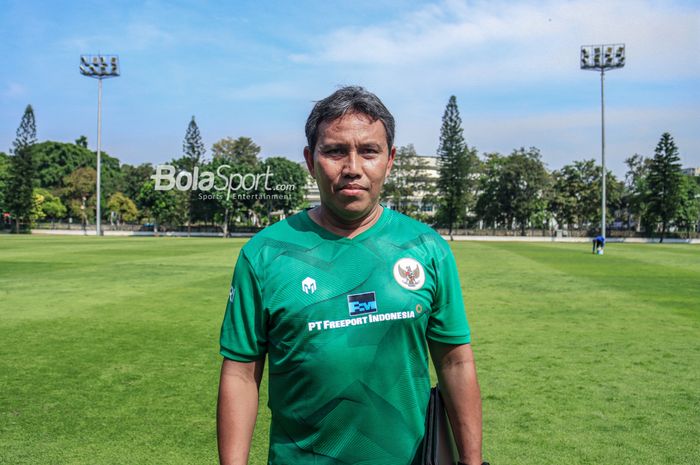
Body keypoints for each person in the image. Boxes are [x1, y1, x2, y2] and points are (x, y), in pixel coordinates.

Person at [217, 86, 485, 465]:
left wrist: (472, 463)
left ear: (390, 160)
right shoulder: (264, 255)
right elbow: (241, 375)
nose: (353, 168)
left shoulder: (427, 248)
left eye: (369, 151)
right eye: (335, 151)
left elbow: (455, 362)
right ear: (311, 160)